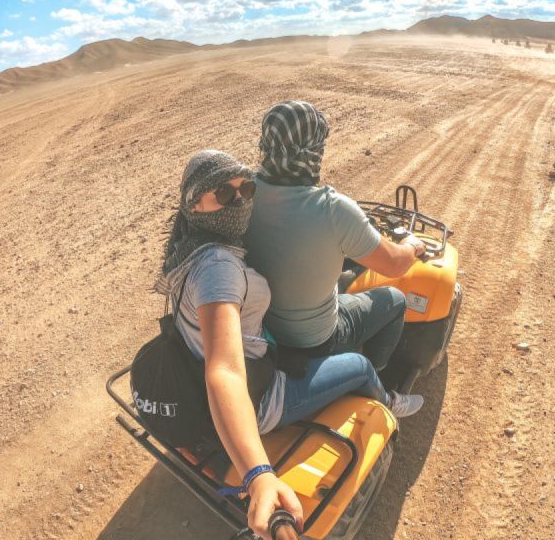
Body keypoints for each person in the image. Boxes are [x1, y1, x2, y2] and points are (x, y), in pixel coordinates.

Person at [154, 149, 424, 540]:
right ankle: (386, 400)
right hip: (263, 397)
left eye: (245, 189)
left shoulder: (190, 248)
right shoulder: (219, 269)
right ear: (193, 202)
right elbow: (225, 371)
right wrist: (259, 475)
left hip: (202, 372)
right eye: (224, 195)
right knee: (361, 367)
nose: (241, 200)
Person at [245, 101, 427, 374]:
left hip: (259, 331)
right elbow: (395, 265)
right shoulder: (334, 210)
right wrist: (411, 246)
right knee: (395, 299)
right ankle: (370, 379)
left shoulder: (241, 193)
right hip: (314, 342)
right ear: (313, 151)